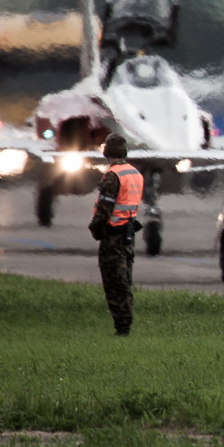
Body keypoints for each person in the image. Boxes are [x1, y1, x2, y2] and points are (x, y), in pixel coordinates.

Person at [88, 134, 143, 335]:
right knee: (125, 280)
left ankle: (122, 327)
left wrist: (95, 227)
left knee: (114, 283)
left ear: (106, 152)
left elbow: (105, 206)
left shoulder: (113, 175)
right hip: (128, 235)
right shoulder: (135, 173)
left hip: (113, 236)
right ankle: (125, 323)